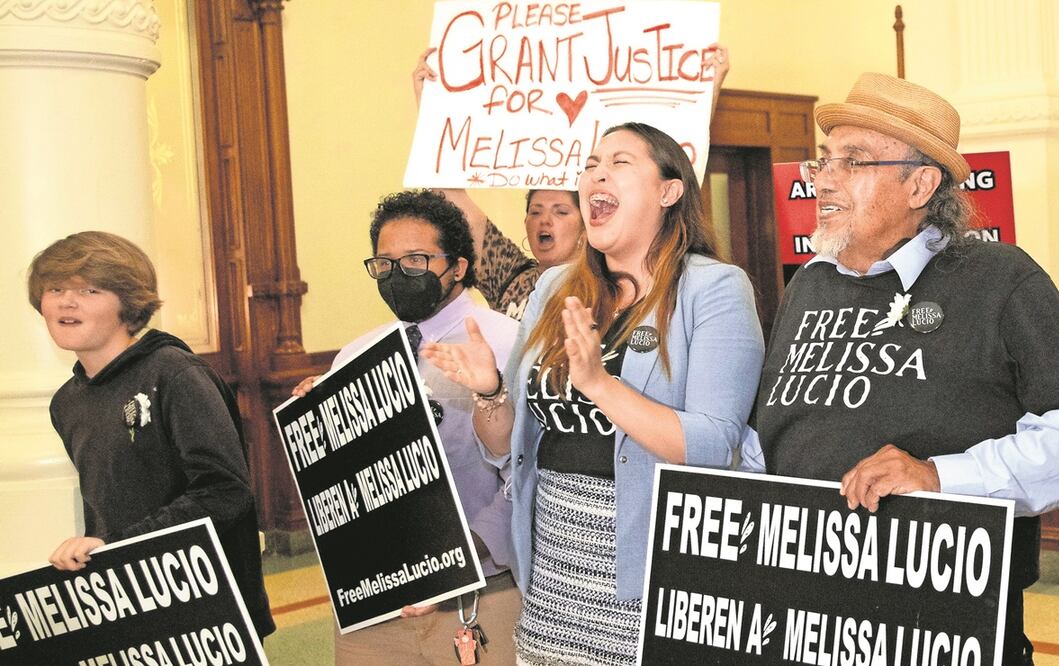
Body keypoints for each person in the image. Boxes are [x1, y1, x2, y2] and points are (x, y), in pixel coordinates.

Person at [744, 73, 1059, 665]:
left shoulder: (1002, 279)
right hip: (799, 617)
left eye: (854, 162)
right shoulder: (807, 286)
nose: (825, 181)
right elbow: (769, 434)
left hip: (941, 628)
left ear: (921, 183)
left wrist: (937, 476)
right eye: (823, 162)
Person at [422, 123, 764, 664]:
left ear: (669, 192)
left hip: (651, 569)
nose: (597, 172)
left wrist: (600, 386)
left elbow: (714, 444)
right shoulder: (556, 288)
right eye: (591, 163)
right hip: (552, 566)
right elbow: (506, 444)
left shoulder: (714, 287)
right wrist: (488, 391)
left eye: (621, 162)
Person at [292, 189, 521, 664]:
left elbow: (531, 472)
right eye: (384, 263)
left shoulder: (506, 341)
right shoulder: (356, 356)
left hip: (479, 593)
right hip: (374, 606)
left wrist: (467, 547)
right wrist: (314, 431)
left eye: (416, 259)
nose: (398, 275)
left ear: (458, 267)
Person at [28, 231, 275, 639]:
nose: (66, 301)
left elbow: (225, 491)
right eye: (55, 288)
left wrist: (118, 545)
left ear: (128, 303)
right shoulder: (66, 403)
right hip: (136, 605)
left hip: (210, 612)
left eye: (89, 289)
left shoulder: (175, 374)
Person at [411, 46, 731, 320]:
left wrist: (704, 94)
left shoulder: (620, 282)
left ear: (588, 218)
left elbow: (669, 170)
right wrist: (433, 114)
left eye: (561, 211)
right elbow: (457, 207)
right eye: (535, 211)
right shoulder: (514, 278)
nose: (545, 220)